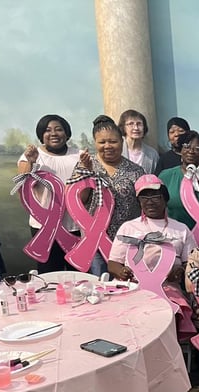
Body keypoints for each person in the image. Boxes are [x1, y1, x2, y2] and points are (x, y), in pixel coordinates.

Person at [107, 174, 197, 336]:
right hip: (133, 287)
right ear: (139, 201)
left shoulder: (181, 229)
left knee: (169, 313)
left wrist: (179, 273)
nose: (150, 201)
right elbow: (113, 263)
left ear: (165, 199)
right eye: (144, 197)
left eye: (155, 196)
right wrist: (121, 272)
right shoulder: (128, 228)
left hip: (167, 287)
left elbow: (190, 264)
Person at [69, 115, 145, 276]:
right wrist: (87, 173)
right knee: (100, 286)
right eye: (102, 142)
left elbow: (144, 205)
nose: (108, 146)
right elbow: (78, 201)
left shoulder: (136, 171)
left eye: (113, 141)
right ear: (95, 143)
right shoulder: (85, 166)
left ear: (122, 141)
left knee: (127, 286)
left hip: (127, 242)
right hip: (95, 242)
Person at [17, 114, 81, 273]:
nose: (53, 134)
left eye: (59, 129)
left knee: (77, 272)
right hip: (43, 225)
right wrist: (31, 162)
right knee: (50, 273)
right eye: (47, 130)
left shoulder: (78, 155)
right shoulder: (33, 156)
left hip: (74, 225)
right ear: (41, 135)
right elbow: (22, 183)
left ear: (66, 133)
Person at [157, 130, 199, 230]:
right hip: (175, 235)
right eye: (186, 146)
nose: (191, 151)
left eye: (197, 149)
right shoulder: (166, 176)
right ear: (180, 150)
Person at [118, 109, 159, 174]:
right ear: (123, 127)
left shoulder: (152, 154)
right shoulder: (117, 150)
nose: (136, 128)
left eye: (139, 124)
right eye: (131, 124)